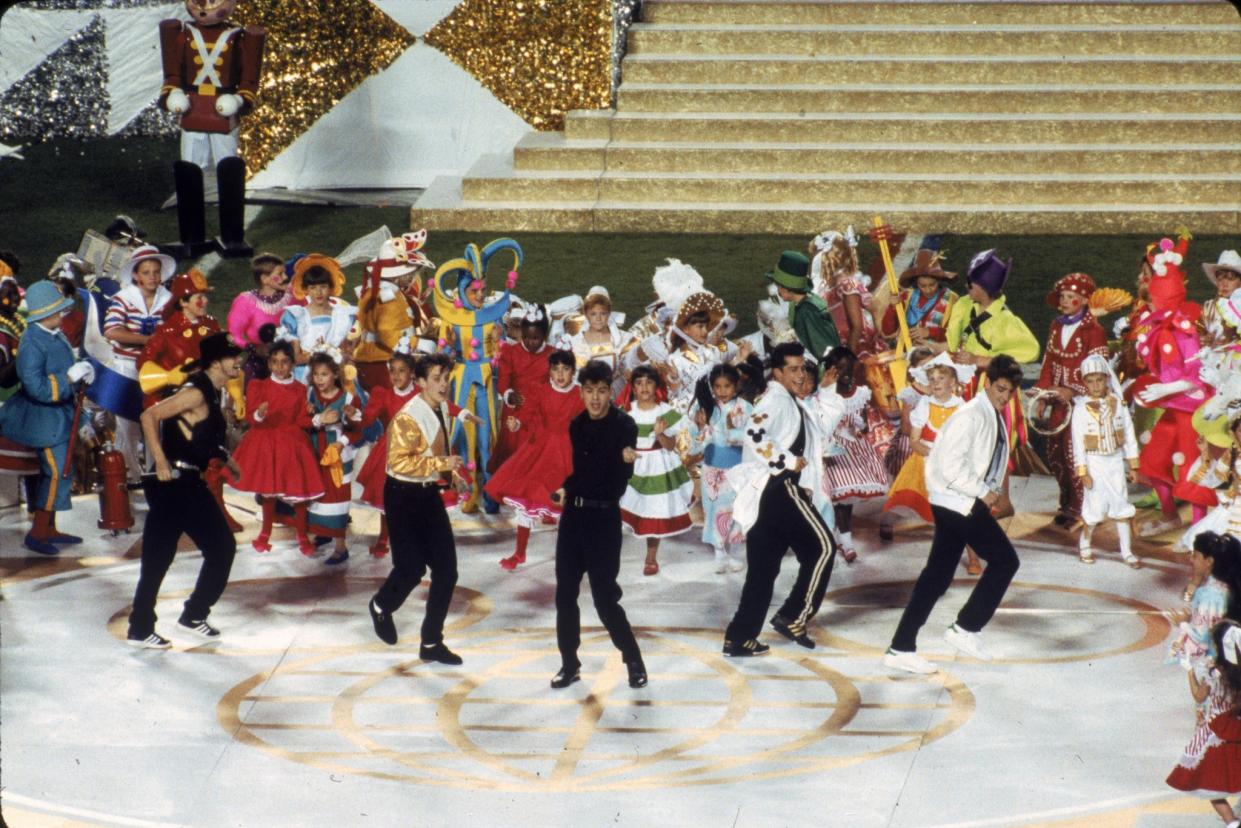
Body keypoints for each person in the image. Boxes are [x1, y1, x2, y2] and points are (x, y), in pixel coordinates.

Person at [884, 354, 1024, 674]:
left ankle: (901, 647)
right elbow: (948, 467)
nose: (1004, 397)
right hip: (956, 501)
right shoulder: (972, 414)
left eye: (1010, 392)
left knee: (937, 576)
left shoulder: (988, 411)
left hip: (954, 501)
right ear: (987, 384)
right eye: (1000, 389)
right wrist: (985, 493)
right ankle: (965, 629)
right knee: (1005, 561)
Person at [126, 332, 243, 647]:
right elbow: (148, 416)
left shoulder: (213, 391)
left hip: (188, 483)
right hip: (174, 485)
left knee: (210, 550)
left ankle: (186, 616)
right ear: (216, 362)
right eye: (233, 357)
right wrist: (160, 461)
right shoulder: (195, 392)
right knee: (165, 556)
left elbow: (200, 438)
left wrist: (228, 460)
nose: (239, 361)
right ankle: (149, 625)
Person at [724, 342, 839, 656]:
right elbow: (755, 433)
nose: (801, 374)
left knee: (763, 571)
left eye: (803, 367)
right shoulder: (776, 398)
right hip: (780, 487)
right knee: (823, 548)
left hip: (769, 496)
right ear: (777, 373)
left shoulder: (787, 398)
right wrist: (786, 462)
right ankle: (792, 617)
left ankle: (740, 637)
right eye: (793, 369)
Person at [548, 360, 647, 690]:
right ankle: (569, 664)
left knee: (605, 598)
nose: (594, 398)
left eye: (601, 391)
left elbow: (615, 477)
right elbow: (583, 471)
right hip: (573, 520)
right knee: (565, 595)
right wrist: (566, 486)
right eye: (588, 391)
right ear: (581, 391)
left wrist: (626, 459)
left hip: (603, 520)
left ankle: (633, 659)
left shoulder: (625, 426)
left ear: (611, 392)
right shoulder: (577, 425)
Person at [367, 352, 467, 664]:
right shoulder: (409, 416)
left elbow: (438, 449)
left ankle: (431, 642)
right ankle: (381, 606)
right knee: (411, 569)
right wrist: (442, 464)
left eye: (446, 379)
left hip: (427, 495)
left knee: (447, 571)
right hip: (403, 497)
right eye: (436, 379)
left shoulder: (441, 410)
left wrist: (453, 477)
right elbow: (399, 462)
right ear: (420, 382)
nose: (443, 385)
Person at [0, 280, 94, 555]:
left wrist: (81, 371)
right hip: (43, 418)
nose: (62, 315)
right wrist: (68, 379)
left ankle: (49, 527)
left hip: (59, 413)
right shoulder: (32, 342)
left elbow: (65, 365)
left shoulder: (54, 335)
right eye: (57, 311)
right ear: (43, 313)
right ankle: (38, 531)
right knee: (57, 472)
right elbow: (37, 387)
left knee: (59, 471)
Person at [485, 348, 584, 569]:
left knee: (564, 506)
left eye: (565, 369)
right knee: (526, 500)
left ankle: (570, 554)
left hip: (566, 455)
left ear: (573, 372)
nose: (560, 374)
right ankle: (519, 552)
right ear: (549, 371)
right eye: (555, 369)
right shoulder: (542, 390)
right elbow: (528, 414)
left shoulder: (579, 394)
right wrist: (518, 423)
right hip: (539, 452)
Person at [883, 351, 978, 570]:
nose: (936, 383)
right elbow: (915, 440)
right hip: (930, 463)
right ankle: (942, 561)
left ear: (953, 381)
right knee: (943, 516)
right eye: (932, 379)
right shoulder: (924, 405)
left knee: (965, 511)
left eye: (941, 378)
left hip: (955, 465)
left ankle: (973, 556)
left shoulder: (962, 406)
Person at [230, 341, 322, 555]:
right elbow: (252, 419)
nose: (279, 367)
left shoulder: (300, 389)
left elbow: (300, 421)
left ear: (292, 364)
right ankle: (265, 533)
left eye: (284, 362)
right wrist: (260, 413)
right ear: (269, 363)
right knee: (268, 492)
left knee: (298, 493)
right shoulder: (258, 386)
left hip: (292, 444)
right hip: (266, 444)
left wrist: (315, 417)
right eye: (275, 362)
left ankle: (301, 534)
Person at [1033, 272, 1110, 528]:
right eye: (1063, 297)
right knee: (1056, 453)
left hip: (1082, 406)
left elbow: (1099, 373)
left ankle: (1083, 508)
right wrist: (1043, 395)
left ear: (1084, 300)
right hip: (1058, 403)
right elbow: (1049, 363)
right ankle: (1067, 503)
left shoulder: (1094, 331)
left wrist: (1073, 390)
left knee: (1076, 455)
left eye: (1071, 297)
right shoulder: (1056, 326)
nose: (1064, 302)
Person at [103, 244, 175, 480]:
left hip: (157, 369)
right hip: (126, 368)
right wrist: (148, 340)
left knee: (157, 424)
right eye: (146, 272)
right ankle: (132, 477)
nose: (152, 277)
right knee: (127, 428)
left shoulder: (168, 300)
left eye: (156, 272)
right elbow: (112, 331)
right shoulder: (123, 299)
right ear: (135, 275)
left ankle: (156, 475)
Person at [814, 346, 891, 563]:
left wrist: (859, 425)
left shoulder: (860, 393)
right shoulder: (823, 394)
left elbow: (864, 425)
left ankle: (844, 539)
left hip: (853, 448)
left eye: (850, 371)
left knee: (845, 499)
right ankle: (841, 539)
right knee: (838, 496)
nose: (846, 376)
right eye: (840, 371)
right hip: (831, 447)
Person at [620, 365, 694, 576]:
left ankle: (650, 557)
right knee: (623, 508)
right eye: (639, 383)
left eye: (649, 382)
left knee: (653, 511)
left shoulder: (663, 412)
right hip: (630, 466)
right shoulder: (626, 411)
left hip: (657, 467)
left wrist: (660, 434)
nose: (644, 387)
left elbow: (671, 445)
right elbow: (614, 439)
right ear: (633, 388)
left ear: (656, 387)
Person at [1166, 618, 1241, 827]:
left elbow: (1199, 697)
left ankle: (1231, 822)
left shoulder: (1215, 673)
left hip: (1216, 732)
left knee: (1207, 783)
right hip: (1237, 730)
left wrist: (1189, 670)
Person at [1070, 353, 1140, 567]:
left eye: (1099, 380)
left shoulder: (1118, 403)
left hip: (1115, 461)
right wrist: (1083, 471)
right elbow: (1078, 440)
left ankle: (1126, 551)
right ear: (1084, 384)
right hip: (1094, 462)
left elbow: (1128, 433)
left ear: (1106, 379)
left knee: (1121, 504)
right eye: (1090, 381)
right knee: (1094, 506)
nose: (1095, 385)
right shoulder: (1081, 408)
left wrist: (1133, 463)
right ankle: (1085, 543)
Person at [354, 350, 420, 558]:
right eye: (393, 371)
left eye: (402, 371)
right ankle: (383, 537)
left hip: (416, 450)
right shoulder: (383, 394)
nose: (396, 376)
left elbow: (440, 409)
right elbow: (367, 419)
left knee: (414, 495)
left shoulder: (420, 394)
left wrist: (462, 414)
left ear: (412, 373)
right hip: (390, 451)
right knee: (387, 495)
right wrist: (354, 414)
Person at [687, 364, 751, 574]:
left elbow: (754, 438)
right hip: (713, 470)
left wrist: (734, 432)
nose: (722, 391)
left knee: (736, 512)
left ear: (736, 385)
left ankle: (731, 552)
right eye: (717, 386)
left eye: (727, 386)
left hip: (738, 469)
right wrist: (700, 427)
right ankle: (720, 554)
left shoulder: (745, 407)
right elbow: (695, 445)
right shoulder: (705, 407)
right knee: (716, 511)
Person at [305, 351, 363, 565]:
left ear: (335, 375)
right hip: (316, 452)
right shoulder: (311, 394)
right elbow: (306, 420)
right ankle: (322, 532)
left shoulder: (347, 398)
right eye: (316, 374)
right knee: (318, 496)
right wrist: (313, 416)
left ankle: (341, 546)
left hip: (338, 455)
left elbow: (358, 429)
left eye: (324, 374)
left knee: (337, 497)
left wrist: (341, 442)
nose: (319, 379)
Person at [490, 304, 552, 475]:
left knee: (534, 458)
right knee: (510, 456)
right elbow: (503, 381)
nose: (530, 342)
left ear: (544, 335)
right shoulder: (510, 352)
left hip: (539, 412)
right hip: (515, 409)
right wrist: (509, 395)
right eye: (525, 337)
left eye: (535, 338)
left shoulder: (552, 354)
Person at [277, 255, 356, 382]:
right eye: (313, 288)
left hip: (335, 373)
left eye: (323, 287)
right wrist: (321, 354)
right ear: (306, 289)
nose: (318, 292)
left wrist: (340, 355)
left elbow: (347, 351)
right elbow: (296, 358)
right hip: (307, 375)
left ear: (331, 287)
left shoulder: (343, 316)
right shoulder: (297, 317)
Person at [769, 251, 840, 368]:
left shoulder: (806, 312)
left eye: (779, 286)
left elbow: (824, 352)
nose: (778, 291)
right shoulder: (806, 301)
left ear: (788, 288)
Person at [570, 286, 634, 397]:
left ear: (609, 313)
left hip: (619, 397)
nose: (598, 318)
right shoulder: (575, 343)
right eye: (593, 314)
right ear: (586, 314)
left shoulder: (624, 340)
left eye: (603, 313)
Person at [226, 252, 291, 348]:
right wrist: (251, 348)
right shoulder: (245, 302)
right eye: (280, 274)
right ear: (264, 279)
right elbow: (233, 335)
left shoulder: (292, 294)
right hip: (261, 359)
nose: (285, 277)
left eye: (284, 273)